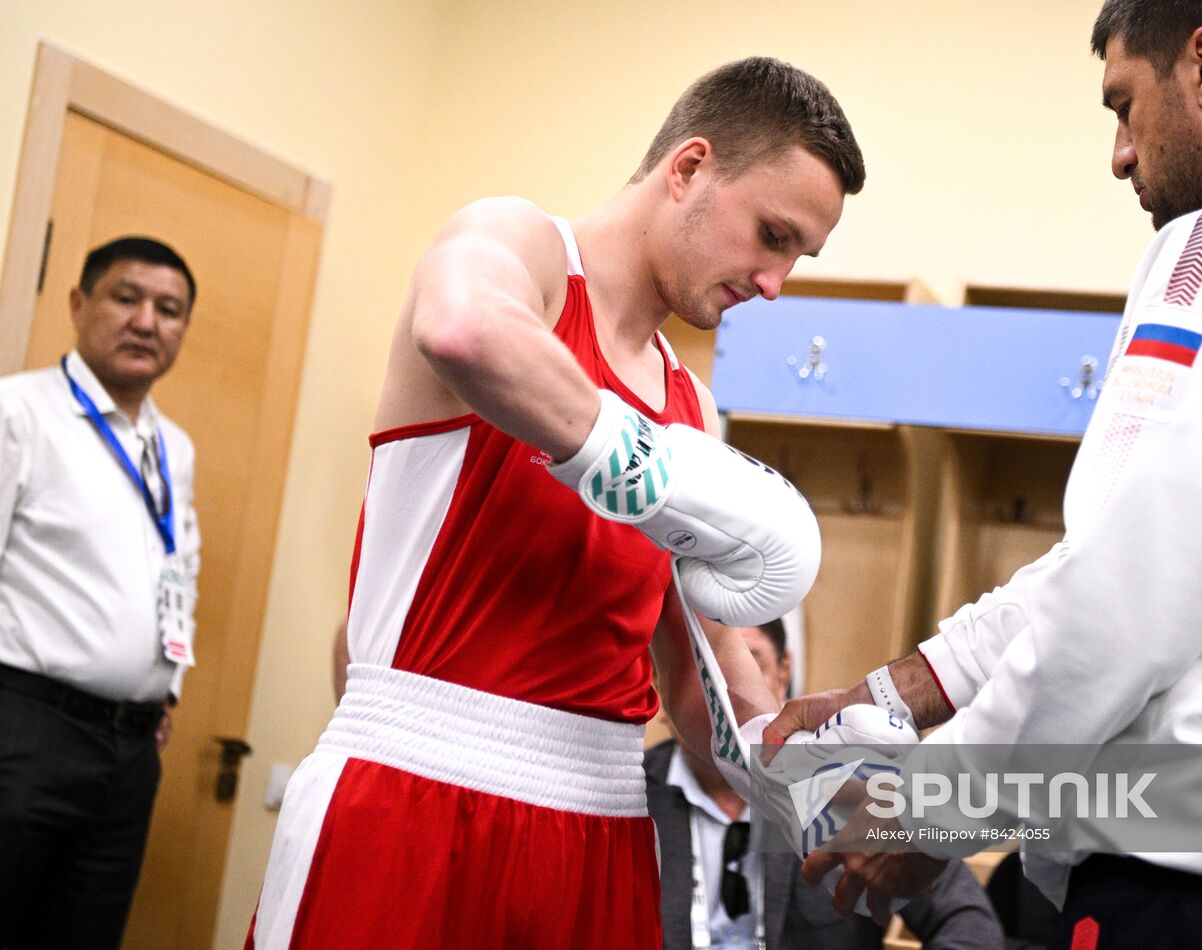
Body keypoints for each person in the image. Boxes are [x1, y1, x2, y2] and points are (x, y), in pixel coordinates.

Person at [768, 2, 1202, 948]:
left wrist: (933, 813)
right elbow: (1123, 565)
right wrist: (899, 693)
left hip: (1183, 904)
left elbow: (1124, 594)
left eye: (1124, 104)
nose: (1120, 153)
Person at [246, 57, 864, 950]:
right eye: (772, 235)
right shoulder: (522, 248)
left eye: (798, 256)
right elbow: (461, 325)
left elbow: (702, 687)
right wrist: (639, 464)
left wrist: (836, 781)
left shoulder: (691, 412)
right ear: (689, 168)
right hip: (417, 794)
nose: (775, 282)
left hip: (601, 830)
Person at [0, 236, 200, 949]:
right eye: (126, 298)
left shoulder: (173, 447)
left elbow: (179, 566)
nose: (147, 322)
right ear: (79, 304)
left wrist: (167, 686)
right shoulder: (18, 412)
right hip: (24, 732)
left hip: (129, 752)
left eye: (169, 310)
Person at [645, 616, 1004, 949]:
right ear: (661, 688)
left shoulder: (850, 775)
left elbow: (970, 924)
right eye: (701, 674)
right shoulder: (631, 799)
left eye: (750, 667)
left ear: (784, 673)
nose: (725, 696)